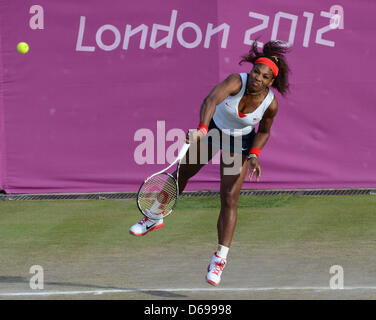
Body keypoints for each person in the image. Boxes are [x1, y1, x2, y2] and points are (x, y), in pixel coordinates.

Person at [129, 40, 291, 286]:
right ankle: (155, 216)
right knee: (181, 173)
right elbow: (211, 100)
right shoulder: (236, 81)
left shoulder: (271, 104)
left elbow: (264, 131)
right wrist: (202, 129)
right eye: (256, 71)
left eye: (264, 76)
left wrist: (255, 154)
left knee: (228, 197)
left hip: (239, 143)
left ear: (271, 82)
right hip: (213, 131)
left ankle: (219, 259)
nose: (257, 78)